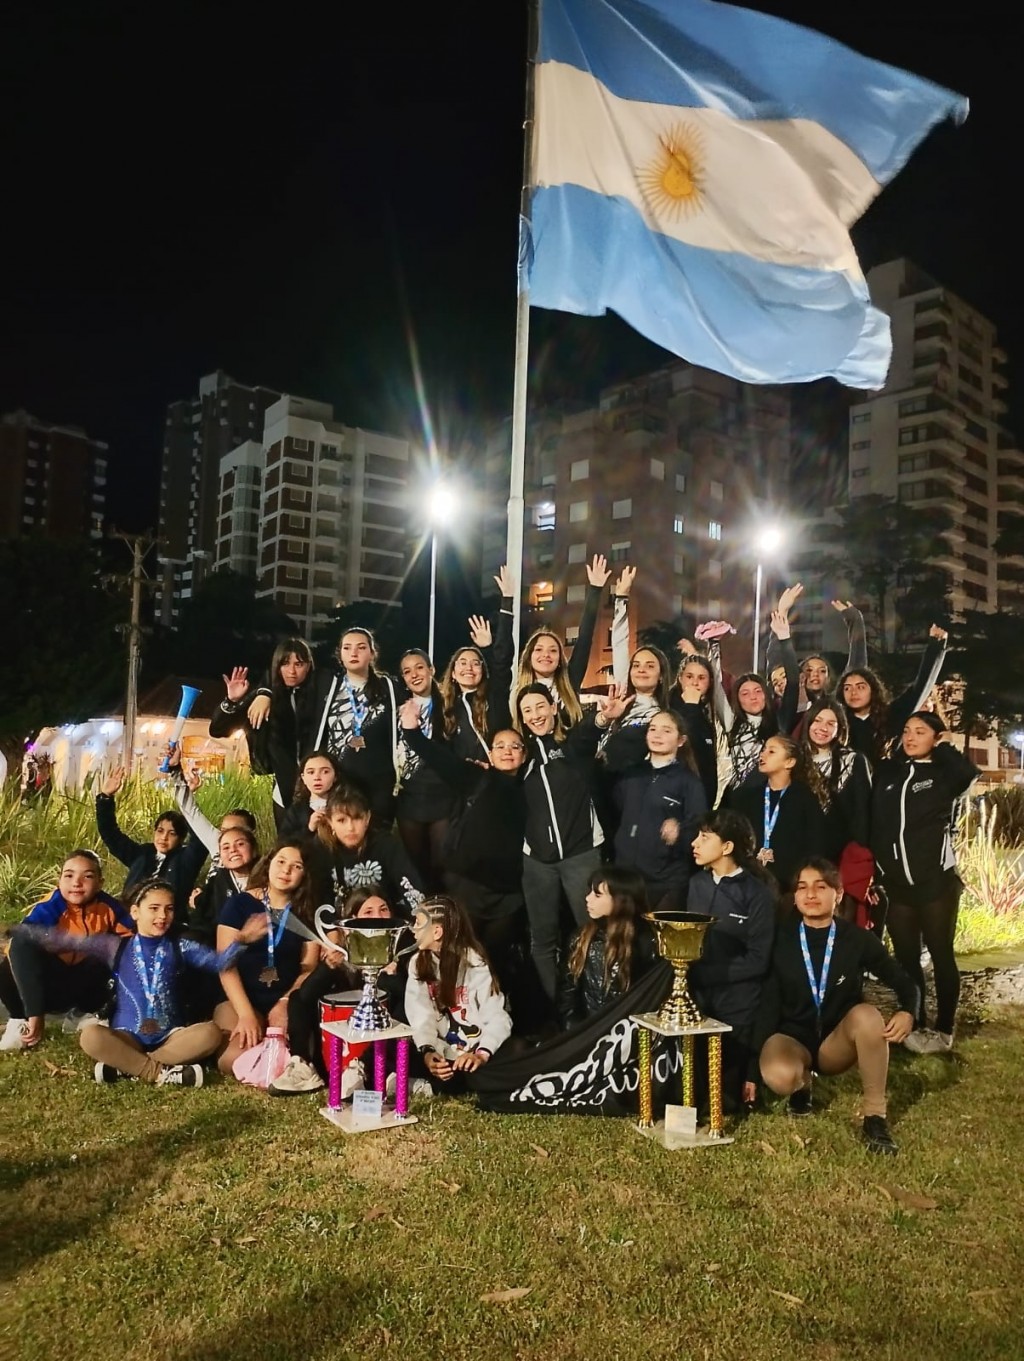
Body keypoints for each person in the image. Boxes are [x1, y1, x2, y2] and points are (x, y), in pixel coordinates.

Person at [24, 878, 267, 1085]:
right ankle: (159, 1072)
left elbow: (219, 963)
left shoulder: (180, 946)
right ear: (135, 912)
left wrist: (242, 940)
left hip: (172, 1036)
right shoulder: (115, 946)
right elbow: (70, 941)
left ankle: (126, 1068)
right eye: (154, 908)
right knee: (90, 1036)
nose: (163, 916)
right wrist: (26, 931)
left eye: (169, 909)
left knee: (211, 1033)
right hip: (127, 1036)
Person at [753, 858, 918, 1154]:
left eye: (821, 886)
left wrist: (909, 1011)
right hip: (792, 1038)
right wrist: (751, 1072)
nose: (810, 894)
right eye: (802, 887)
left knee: (868, 1016)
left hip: (834, 1043)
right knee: (780, 1075)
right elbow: (767, 1002)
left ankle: (875, 1118)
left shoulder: (856, 939)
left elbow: (904, 981)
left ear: (838, 894)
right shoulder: (782, 938)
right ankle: (802, 1086)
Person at [399, 702, 530, 1008]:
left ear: (525, 754)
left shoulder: (533, 784)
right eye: (500, 746)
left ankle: (492, 1022)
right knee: (457, 958)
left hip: (508, 894)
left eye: (515, 746)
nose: (507, 751)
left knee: (492, 962)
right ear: (490, 754)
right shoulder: (477, 776)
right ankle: (451, 1017)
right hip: (466, 886)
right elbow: (437, 757)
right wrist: (411, 729)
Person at [871, 712, 979, 1054]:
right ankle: (914, 1022)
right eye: (906, 730)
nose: (911, 737)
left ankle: (944, 1029)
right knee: (906, 958)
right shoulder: (890, 773)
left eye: (921, 731)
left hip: (936, 884)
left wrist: (944, 746)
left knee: (940, 953)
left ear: (936, 737)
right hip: (897, 886)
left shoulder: (944, 774)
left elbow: (967, 774)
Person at [518, 684, 630, 1000]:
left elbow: (586, 733)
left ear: (554, 707)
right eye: (527, 710)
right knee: (542, 940)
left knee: (592, 931)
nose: (535, 715)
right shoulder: (521, 755)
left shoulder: (570, 746)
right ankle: (555, 1011)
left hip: (581, 854)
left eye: (540, 706)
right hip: (537, 861)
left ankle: (599, 1004)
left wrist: (602, 719)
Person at [269, 887, 410, 1097]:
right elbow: (306, 996)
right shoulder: (344, 951)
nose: (378, 917)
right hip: (343, 1032)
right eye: (368, 912)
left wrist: (390, 975)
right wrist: (328, 968)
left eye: (383, 910)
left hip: (380, 1038)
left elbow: (410, 997)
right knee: (297, 997)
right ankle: (303, 1066)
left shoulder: (400, 947)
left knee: (404, 1006)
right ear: (353, 918)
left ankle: (362, 1069)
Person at [686, 810, 777, 1111]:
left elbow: (758, 960)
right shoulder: (696, 885)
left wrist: (706, 975)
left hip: (737, 1008)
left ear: (727, 847)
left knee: (723, 1101)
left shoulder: (756, 894)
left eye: (704, 837)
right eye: (697, 835)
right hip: (698, 1002)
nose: (694, 843)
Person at [0, 851, 134, 1051]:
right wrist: (35, 1011)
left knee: (114, 949)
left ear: (100, 882)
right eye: (69, 875)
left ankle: (83, 1013)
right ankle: (22, 1019)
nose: (77, 882)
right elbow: (19, 947)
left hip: (82, 985)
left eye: (87, 876)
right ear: (59, 880)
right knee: (14, 954)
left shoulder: (110, 908)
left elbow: (135, 942)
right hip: (44, 986)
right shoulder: (49, 907)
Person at [214, 840, 321, 1077]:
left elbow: (309, 967)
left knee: (307, 1054)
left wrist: (285, 1002)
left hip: (284, 998)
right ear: (268, 863)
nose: (286, 871)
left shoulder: (305, 912)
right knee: (232, 1059)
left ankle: (273, 1053)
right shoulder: (240, 904)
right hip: (241, 997)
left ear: (305, 875)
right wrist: (245, 1014)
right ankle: (265, 1051)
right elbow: (224, 964)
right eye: (281, 862)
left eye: (296, 866)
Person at [405, 895, 512, 1092]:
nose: (413, 930)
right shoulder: (418, 963)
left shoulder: (473, 961)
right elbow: (421, 1017)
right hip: (440, 1049)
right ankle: (423, 1081)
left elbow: (497, 1016)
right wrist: (428, 1052)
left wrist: (480, 1054)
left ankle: (425, 1085)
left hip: (473, 1051)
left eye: (418, 924)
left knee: (510, 1055)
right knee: (393, 1048)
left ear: (437, 932)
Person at [210, 640, 317, 827]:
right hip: (283, 792)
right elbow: (218, 729)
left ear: (308, 666)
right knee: (287, 847)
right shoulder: (263, 697)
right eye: (285, 663)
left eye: (298, 664)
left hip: (319, 788)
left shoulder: (319, 695)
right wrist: (232, 701)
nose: (291, 671)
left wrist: (264, 691)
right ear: (276, 665)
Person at [611, 710, 707, 909]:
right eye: (652, 729)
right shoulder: (631, 774)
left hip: (665, 880)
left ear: (681, 741)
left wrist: (680, 832)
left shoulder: (688, 781)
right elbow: (616, 811)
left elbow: (700, 826)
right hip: (626, 876)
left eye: (666, 731)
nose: (657, 735)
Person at [310, 626, 402, 829]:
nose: (353, 653)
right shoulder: (328, 686)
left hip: (379, 781)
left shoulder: (390, 688)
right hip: (340, 780)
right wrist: (264, 693)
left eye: (361, 648)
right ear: (340, 655)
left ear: (372, 653)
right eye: (347, 648)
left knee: (376, 842)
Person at [514, 554, 611, 732]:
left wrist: (595, 590)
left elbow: (584, 639)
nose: (546, 655)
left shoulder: (570, 682)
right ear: (529, 657)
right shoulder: (517, 692)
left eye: (553, 651)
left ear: (560, 658)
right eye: (539, 650)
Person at [95, 766, 208, 919]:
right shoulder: (142, 854)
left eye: (172, 833)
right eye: (160, 831)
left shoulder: (186, 860)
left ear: (181, 839)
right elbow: (111, 834)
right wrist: (105, 797)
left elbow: (199, 836)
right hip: (130, 922)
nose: (164, 837)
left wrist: (188, 797)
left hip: (168, 924)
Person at [799, 699, 874, 922]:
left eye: (831, 723)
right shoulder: (796, 760)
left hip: (841, 859)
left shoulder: (853, 760)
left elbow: (863, 813)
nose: (823, 727)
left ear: (840, 729)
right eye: (818, 720)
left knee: (841, 924)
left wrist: (863, 867)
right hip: (802, 856)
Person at [556, 868, 657, 1029]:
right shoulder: (580, 938)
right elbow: (566, 998)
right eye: (590, 892)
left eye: (597, 895)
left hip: (630, 1037)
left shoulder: (648, 943)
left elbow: (651, 1002)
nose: (587, 899)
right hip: (586, 1037)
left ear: (621, 900)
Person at [838, 625, 949, 768]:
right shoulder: (837, 721)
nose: (853, 692)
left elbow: (919, 688)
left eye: (860, 687)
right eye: (847, 688)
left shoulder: (891, 715)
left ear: (873, 691)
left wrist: (936, 646)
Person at [728, 736, 827, 891]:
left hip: (788, 885)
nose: (763, 755)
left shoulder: (805, 799)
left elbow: (815, 844)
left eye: (771, 751)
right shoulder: (746, 797)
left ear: (790, 762)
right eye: (763, 750)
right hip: (747, 881)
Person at [438, 567, 516, 763]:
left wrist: (507, 601)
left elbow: (502, 659)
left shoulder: (495, 693)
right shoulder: (446, 707)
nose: (469, 668)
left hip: (500, 776)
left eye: (475, 663)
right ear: (453, 673)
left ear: (483, 670)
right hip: (467, 783)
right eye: (462, 663)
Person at [396, 647, 458, 891]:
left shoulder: (451, 704)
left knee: (442, 867)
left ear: (431, 670)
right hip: (410, 798)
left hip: (443, 797)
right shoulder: (398, 709)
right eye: (407, 671)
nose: (414, 675)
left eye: (419, 667)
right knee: (416, 869)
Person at [719, 612, 801, 792]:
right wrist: (713, 645)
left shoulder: (778, 722)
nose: (753, 697)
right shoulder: (731, 722)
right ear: (737, 700)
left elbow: (793, 684)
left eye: (758, 691)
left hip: (768, 798)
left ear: (766, 694)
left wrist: (784, 640)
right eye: (745, 694)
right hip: (734, 801)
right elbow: (716, 690)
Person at [669, 651, 720, 809]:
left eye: (701, 678)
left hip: (701, 801)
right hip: (678, 801)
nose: (695, 683)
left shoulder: (704, 713)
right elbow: (688, 744)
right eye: (689, 677)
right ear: (680, 679)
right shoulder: (670, 711)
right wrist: (691, 705)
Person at [278, 750, 343, 839]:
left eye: (325, 772)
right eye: (311, 772)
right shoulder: (296, 811)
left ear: (335, 776)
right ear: (303, 778)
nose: (317, 778)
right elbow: (284, 843)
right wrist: (309, 828)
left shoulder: (345, 807)